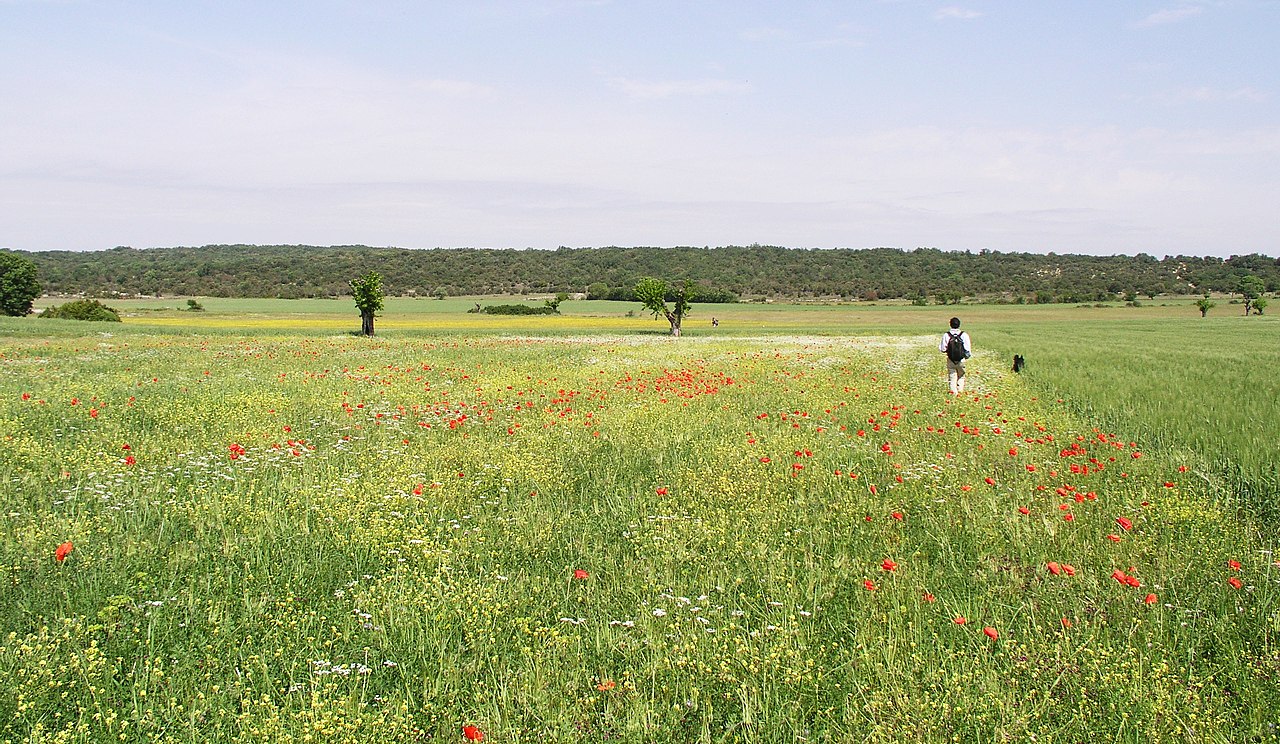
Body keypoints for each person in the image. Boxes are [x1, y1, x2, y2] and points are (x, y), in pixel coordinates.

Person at [939, 317, 971, 395]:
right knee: (961, 375)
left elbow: (943, 349)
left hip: (951, 359)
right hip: (961, 360)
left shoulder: (946, 335)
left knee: (952, 376)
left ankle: (953, 393)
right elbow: (968, 349)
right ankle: (960, 390)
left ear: (950, 325)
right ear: (959, 325)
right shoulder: (964, 335)